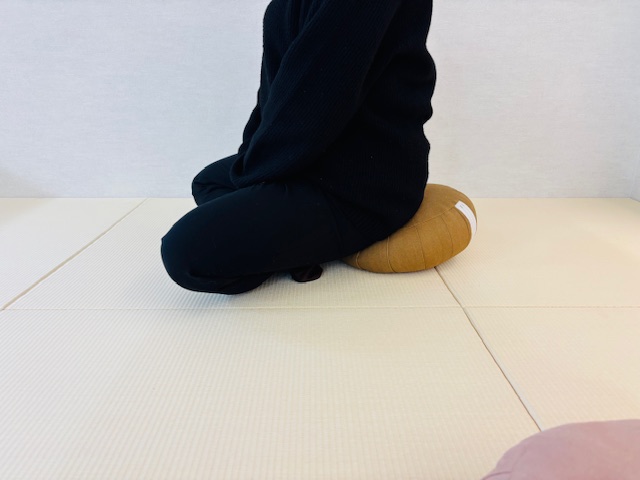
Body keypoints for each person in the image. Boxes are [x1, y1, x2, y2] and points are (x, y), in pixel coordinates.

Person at [160, 0, 437, 294]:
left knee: (184, 254)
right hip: (312, 158)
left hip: (361, 185)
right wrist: (252, 161)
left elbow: (317, 99)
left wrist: (257, 178)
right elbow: (274, 90)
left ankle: (296, 246)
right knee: (208, 181)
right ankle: (298, 250)